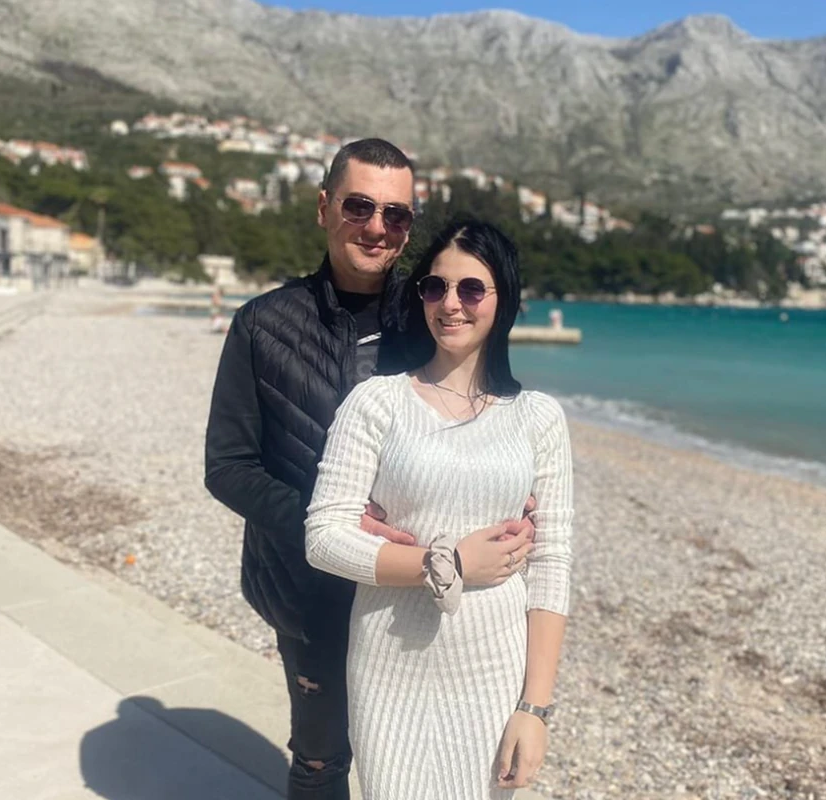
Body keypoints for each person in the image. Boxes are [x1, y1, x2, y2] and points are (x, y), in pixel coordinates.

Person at [204, 140, 534, 799]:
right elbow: (227, 466)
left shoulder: (433, 313)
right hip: (309, 591)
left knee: (420, 762)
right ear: (324, 207)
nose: (377, 227)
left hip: (417, 593)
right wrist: (330, 521)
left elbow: (487, 410)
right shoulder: (261, 325)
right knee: (322, 759)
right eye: (359, 207)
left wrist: (520, 491)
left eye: (396, 214)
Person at [305, 218, 574, 799]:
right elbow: (323, 537)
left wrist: (535, 708)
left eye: (471, 289)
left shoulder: (539, 418)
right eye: (435, 287)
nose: (451, 304)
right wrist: (446, 563)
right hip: (388, 662)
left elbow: (551, 565)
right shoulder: (377, 401)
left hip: (493, 671)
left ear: (504, 300)